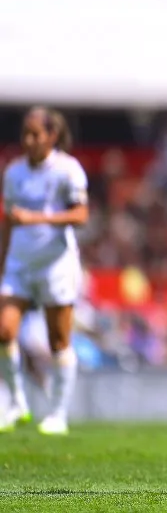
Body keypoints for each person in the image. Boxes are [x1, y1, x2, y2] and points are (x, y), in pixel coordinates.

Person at [0, 107, 89, 435]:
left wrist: (36, 218)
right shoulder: (14, 172)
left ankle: (57, 413)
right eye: (25, 134)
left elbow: (81, 215)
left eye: (35, 134)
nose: (28, 140)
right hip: (20, 264)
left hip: (56, 265)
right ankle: (17, 403)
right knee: (5, 330)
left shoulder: (68, 170)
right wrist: (3, 259)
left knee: (59, 341)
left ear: (51, 136)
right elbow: (10, 220)